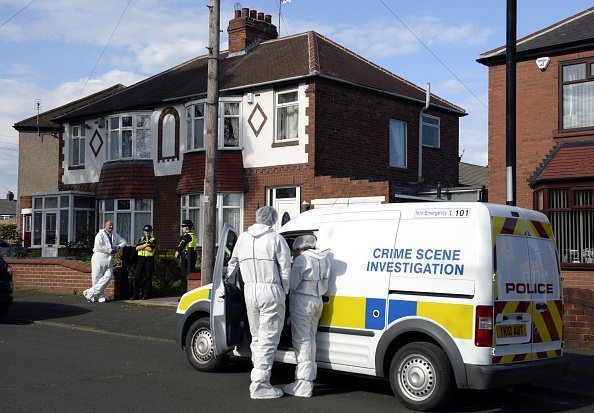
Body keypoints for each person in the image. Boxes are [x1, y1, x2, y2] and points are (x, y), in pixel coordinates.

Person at [227, 206, 292, 399]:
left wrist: (236, 287)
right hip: (270, 289)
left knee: (256, 336)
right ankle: (260, 384)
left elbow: (232, 264)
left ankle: (258, 373)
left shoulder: (243, 238)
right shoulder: (276, 239)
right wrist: (284, 290)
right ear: (273, 219)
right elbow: (286, 269)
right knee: (269, 337)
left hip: (249, 291)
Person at [283, 235, 331, 397]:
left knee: (301, 341)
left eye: (296, 250)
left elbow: (292, 284)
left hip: (302, 302)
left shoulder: (301, 260)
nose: (296, 253)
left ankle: (303, 384)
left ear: (300, 248)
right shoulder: (324, 259)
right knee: (311, 340)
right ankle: (309, 378)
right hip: (317, 301)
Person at [83, 220, 127, 303]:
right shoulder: (100, 235)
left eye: (112, 225)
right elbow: (99, 246)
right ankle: (100, 296)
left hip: (109, 259)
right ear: (105, 226)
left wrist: (118, 247)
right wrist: (110, 250)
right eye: (109, 225)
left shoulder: (115, 235)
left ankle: (89, 292)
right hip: (99, 257)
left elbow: (124, 242)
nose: (111, 227)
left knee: (108, 276)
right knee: (97, 277)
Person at [132, 225, 156, 300]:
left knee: (148, 277)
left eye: (148, 231)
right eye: (145, 231)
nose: (147, 232)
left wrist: (142, 246)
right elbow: (137, 248)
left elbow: (150, 249)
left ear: (151, 232)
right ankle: (136, 294)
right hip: (141, 259)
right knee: (137, 277)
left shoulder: (153, 239)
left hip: (149, 259)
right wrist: (146, 245)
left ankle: (146, 294)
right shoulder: (141, 239)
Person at [175, 219, 196, 293]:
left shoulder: (187, 236)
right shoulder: (192, 235)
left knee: (184, 276)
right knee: (189, 274)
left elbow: (182, 245)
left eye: (183, 226)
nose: (182, 228)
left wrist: (177, 251)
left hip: (187, 257)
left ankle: (184, 292)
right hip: (191, 256)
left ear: (186, 227)